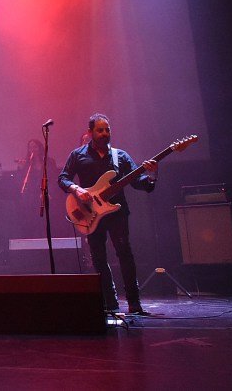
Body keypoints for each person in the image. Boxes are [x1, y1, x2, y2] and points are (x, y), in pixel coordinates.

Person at [58, 113, 157, 315]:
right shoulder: (78, 155)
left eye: (107, 130)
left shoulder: (120, 156)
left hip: (117, 212)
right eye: (100, 130)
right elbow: (63, 178)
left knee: (124, 253)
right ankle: (109, 302)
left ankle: (134, 302)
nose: (104, 133)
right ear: (90, 132)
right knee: (98, 257)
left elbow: (138, 182)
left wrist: (152, 174)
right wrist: (77, 189)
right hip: (90, 213)